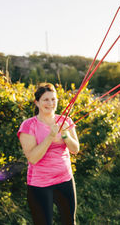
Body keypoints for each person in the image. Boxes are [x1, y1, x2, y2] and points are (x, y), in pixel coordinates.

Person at [17, 83, 80, 225]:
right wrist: (50, 136)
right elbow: (33, 158)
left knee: (69, 222)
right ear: (37, 102)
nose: (50, 103)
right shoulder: (28, 125)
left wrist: (65, 135)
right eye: (46, 100)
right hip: (40, 185)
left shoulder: (66, 121)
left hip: (65, 180)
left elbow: (75, 149)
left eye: (53, 99)